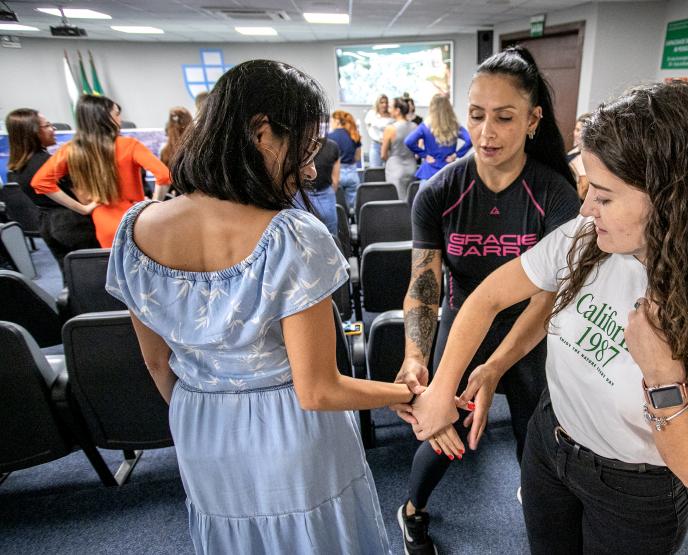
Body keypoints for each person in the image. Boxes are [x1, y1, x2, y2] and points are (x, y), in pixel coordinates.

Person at [410, 81, 688, 554]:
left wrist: (663, 377)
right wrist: (443, 388)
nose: (586, 207)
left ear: (673, 201)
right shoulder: (586, 238)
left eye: (605, 195)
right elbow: (488, 297)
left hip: (635, 490)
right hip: (551, 444)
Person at [105, 60, 421, 554]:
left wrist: (208, 409)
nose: (311, 169)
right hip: (289, 431)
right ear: (262, 133)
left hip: (198, 425)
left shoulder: (135, 228)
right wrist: (405, 396)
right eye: (306, 149)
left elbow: (156, 362)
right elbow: (318, 389)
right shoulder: (292, 235)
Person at [391, 46, 581, 555]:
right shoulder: (438, 192)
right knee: (439, 434)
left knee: (533, 444)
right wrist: (416, 356)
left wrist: (497, 366)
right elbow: (424, 285)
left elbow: (548, 298)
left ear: (533, 120)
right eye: (476, 115)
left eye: (504, 117)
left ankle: (537, 513)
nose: (486, 132)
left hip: (529, 337)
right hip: (462, 328)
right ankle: (411, 510)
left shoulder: (556, 196)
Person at [32, 95, 171, 248]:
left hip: (103, 223)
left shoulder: (71, 149)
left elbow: (40, 182)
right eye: (116, 114)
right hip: (136, 220)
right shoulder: (129, 145)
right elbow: (164, 175)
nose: (120, 119)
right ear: (105, 118)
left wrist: (83, 209)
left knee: (115, 263)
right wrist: (153, 205)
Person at [4, 108, 99, 271]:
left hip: (46, 223)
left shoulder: (18, 165)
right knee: (93, 272)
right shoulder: (50, 164)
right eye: (47, 125)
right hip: (73, 224)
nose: (53, 129)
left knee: (71, 275)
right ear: (33, 131)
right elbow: (84, 199)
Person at [405, 94, 472, 188]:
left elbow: (408, 141)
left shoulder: (425, 126)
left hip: (429, 171)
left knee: (425, 197)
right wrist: (457, 154)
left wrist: (424, 155)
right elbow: (470, 139)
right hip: (449, 170)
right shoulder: (455, 126)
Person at [293, 135, 340, 234]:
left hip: (321, 193)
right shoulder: (332, 145)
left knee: (303, 234)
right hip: (305, 194)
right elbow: (336, 178)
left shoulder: (332, 146)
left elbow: (335, 179)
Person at [381, 96, 418, 200]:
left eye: (391, 107)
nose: (388, 109)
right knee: (411, 200)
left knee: (397, 202)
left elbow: (383, 155)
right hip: (412, 167)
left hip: (395, 167)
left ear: (397, 110)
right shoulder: (415, 126)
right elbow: (418, 149)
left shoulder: (390, 129)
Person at [327, 110, 362, 210]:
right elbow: (358, 157)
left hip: (336, 175)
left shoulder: (329, 137)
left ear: (337, 121)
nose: (331, 124)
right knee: (353, 209)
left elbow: (328, 158)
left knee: (338, 208)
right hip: (352, 175)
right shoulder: (354, 135)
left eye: (332, 121)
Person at [565, 113, 590, 200]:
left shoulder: (589, 156)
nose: (578, 134)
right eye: (577, 129)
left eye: (582, 131)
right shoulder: (574, 151)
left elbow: (582, 193)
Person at [364, 94, 393, 167]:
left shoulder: (391, 115)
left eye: (386, 102)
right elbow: (368, 127)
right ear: (377, 103)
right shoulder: (372, 114)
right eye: (382, 102)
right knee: (375, 168)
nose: (384, 105)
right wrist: (375, 137)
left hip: (389, 146)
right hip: (376, 145)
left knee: (390, 168)